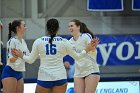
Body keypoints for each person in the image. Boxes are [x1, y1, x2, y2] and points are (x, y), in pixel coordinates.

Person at [12, 18, 98, 93]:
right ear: (58, 29)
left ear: (47, 28)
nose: (70, 28)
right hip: (60, 78)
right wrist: (87, 49)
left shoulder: (39, 41)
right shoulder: (65, 41)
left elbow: (30, 60)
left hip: (44, 78)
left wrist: (21, 55)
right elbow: (77, 57)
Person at [68, 19, 100, 93]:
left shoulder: (86, 36)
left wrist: (93, 46)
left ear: (78, 27)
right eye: (69, 26)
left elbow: (92, 49)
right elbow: (76, 56)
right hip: (78, 72)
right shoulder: (69, 42)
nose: (70, 28)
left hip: (91, 70)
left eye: (72, 26)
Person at [1, 20, 29, 93]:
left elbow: (29, 56)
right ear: (18, 28)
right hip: (10, 72)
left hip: (19, 73)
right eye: (24, 25)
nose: (26, 27)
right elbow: (11, 60)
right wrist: (17, 57)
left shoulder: (23, 41)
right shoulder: (12, 41)